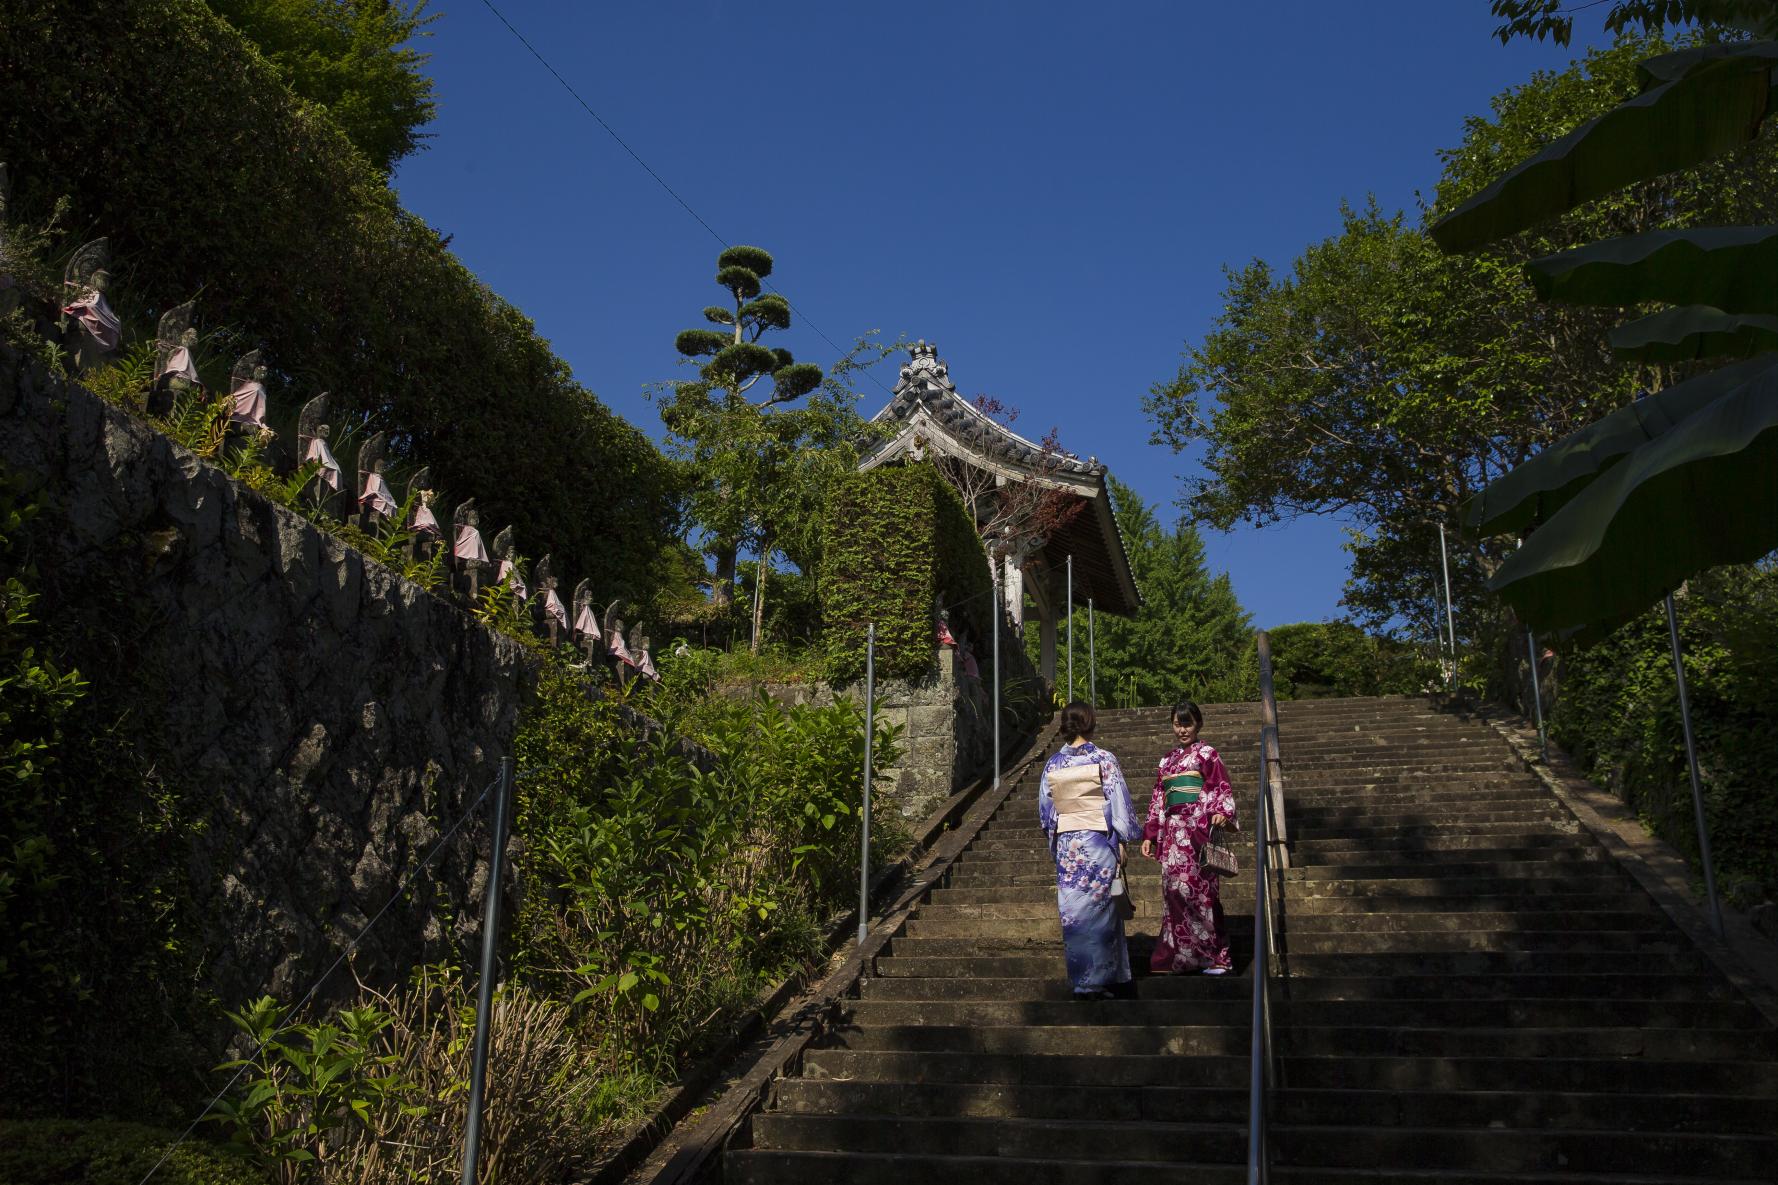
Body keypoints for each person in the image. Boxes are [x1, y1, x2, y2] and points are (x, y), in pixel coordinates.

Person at [1038, 701, 1143, 1000]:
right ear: (1090, 722)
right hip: (1096, 842)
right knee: (1100, 909)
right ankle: (1100, 978)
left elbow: (1046, 812)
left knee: (1074, 912)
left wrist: (1056, 838)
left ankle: (1084, 979)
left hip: (1069, 845)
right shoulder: (1103, 759)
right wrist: (1121, 838)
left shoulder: (1053, 764)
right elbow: (1117, 799)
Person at [1141, 700, 1238, 975]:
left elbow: (1220, 786)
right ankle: (1181, 957)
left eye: (1187, 723)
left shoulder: (1208, 754)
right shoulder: (1166, 761)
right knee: (1174, 893)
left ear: (1198, 724)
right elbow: (1158, 798)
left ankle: (1216, 957)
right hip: (1172, 835)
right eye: (1177, 724)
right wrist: (1150, 834)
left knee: (1203, 894)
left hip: (1197, 831)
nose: (1182, 730)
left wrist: (1221, 812)